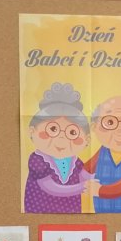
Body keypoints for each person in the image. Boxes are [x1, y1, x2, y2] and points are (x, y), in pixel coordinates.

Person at [23, 82, 95, 214]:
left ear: (87, 140)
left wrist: (96, 180)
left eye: (72, 132)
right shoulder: (37, 160)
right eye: (53, 129)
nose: (62, 138)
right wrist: (82, 187)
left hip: (72, 214)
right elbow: (49, 187)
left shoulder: (76, 162)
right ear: (32, 131)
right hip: (40, 212)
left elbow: (85, 176)